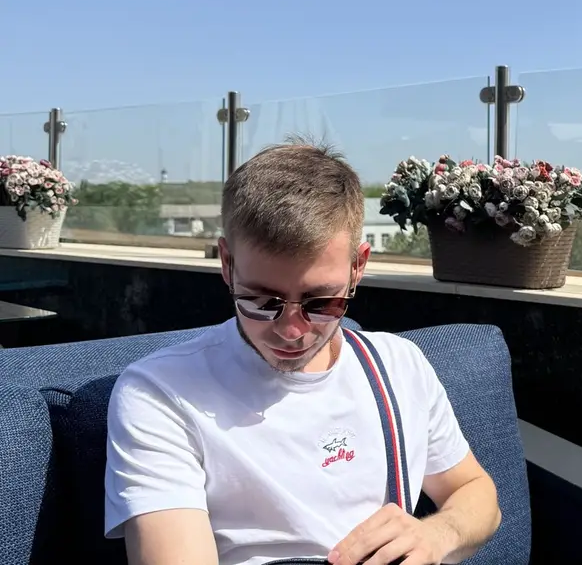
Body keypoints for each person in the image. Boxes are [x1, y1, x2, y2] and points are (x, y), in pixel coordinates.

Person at [104, 140, 501, 565]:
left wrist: (437, 534)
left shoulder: (400, 366)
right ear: (226, 264)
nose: (291, 330)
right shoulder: (163, 393)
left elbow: (474, 492)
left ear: (357, 268)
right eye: (261, 301)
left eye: (321, 302)